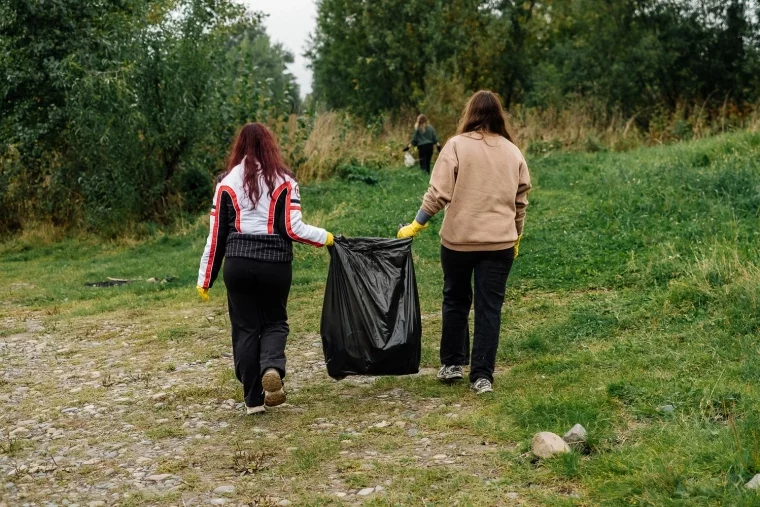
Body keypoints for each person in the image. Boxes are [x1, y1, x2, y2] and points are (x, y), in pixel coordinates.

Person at [397, 90, 532, 394]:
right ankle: (482, 376)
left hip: (458, 243)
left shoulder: (456, 146)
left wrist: (416, 225)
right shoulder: (513, 152)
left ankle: (452, 364)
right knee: (489, 308)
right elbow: (520, 202)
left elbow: (438, 194)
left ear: (470, 114)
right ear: (499, 116)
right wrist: (517, 235)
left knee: (455, 299)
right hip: (500, 244)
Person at [196, 122, 334, 415]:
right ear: (270, 145)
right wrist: (326, 237)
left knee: (245, 328)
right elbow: (292, 228)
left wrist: (205, 277)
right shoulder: (285, 179)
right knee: (274, 321)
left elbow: (217, 233)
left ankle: (253, 401)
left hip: (238, 264)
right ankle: (271, 367)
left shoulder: (226, 182)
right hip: (275, 264)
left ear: (240, 146)